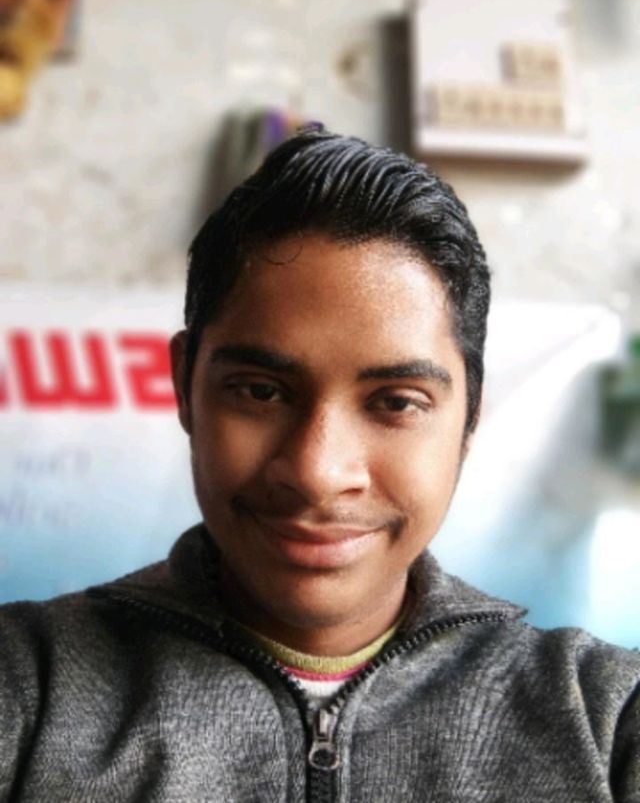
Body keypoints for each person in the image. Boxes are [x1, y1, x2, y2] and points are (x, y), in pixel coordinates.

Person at [0, 129, 638, 802]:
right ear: (185, 385)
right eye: (260, 392)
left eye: (396, 402)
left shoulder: (605, 721)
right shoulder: (25, 689)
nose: (317, 472)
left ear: (469, 417)